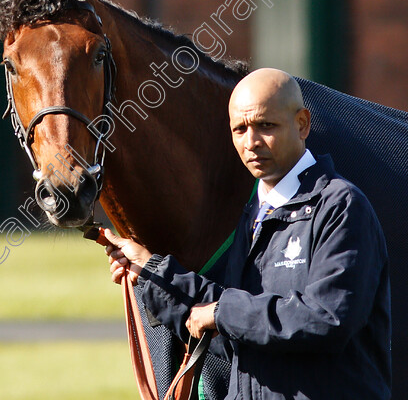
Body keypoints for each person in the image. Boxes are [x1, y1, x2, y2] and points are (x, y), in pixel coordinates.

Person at [104, 68, 391, 399]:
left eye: (265, 126)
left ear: (302, 124)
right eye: (239, 129)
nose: (251, 142)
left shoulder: (341, 205)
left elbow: (327, 319)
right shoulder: (253, 213)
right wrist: (153, 273)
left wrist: (220, 313)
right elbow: (238, 333)